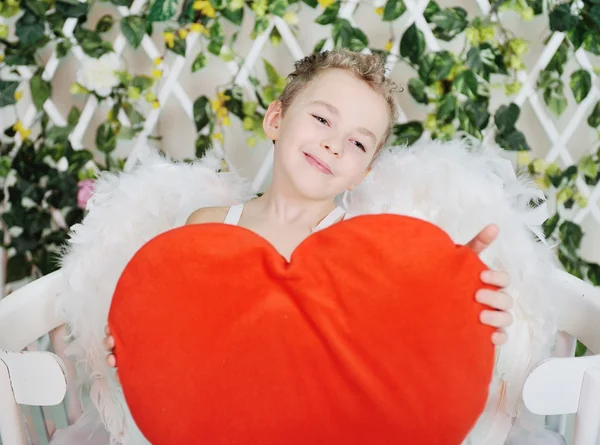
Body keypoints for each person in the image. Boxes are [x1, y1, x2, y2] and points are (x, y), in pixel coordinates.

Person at [103, 49, 513, 371]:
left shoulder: (365, 251)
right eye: (321, 119)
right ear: (276, 120)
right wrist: (138, 342)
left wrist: (453, 307)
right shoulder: (206, 227)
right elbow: (177, 329)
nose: (334, 144)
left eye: (357, 143)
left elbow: (397, 340)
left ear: (362, 173)